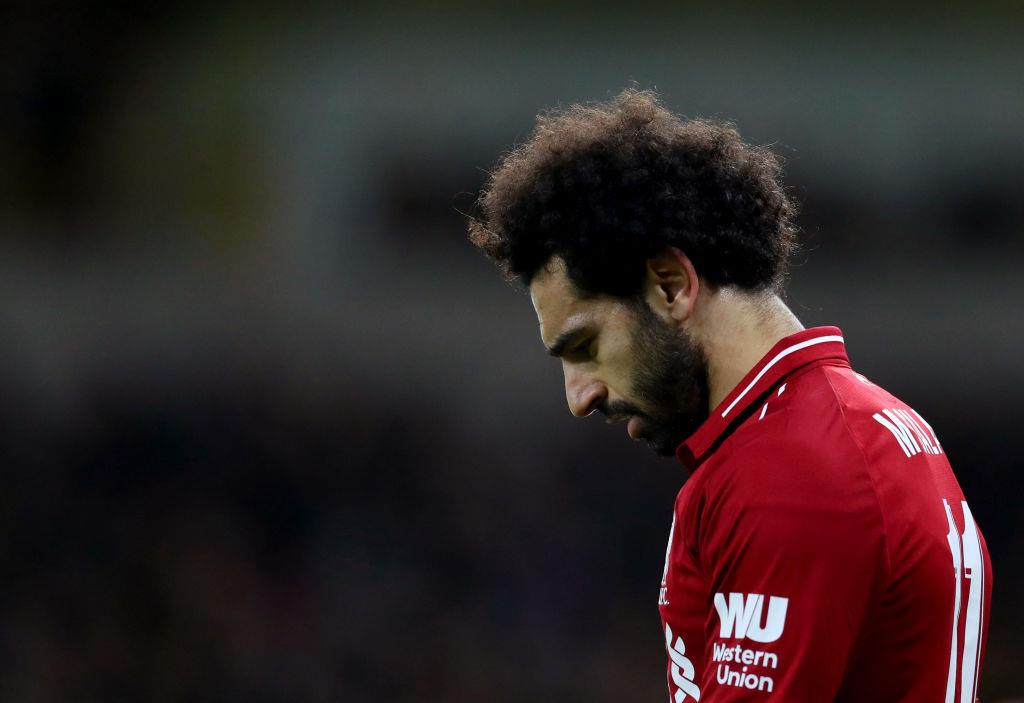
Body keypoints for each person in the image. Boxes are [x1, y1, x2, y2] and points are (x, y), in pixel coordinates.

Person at [467, 89, 992, 701]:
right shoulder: (867, 424)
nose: (579, 397)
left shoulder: (792, 476)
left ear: (670, 285)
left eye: (585, 346)